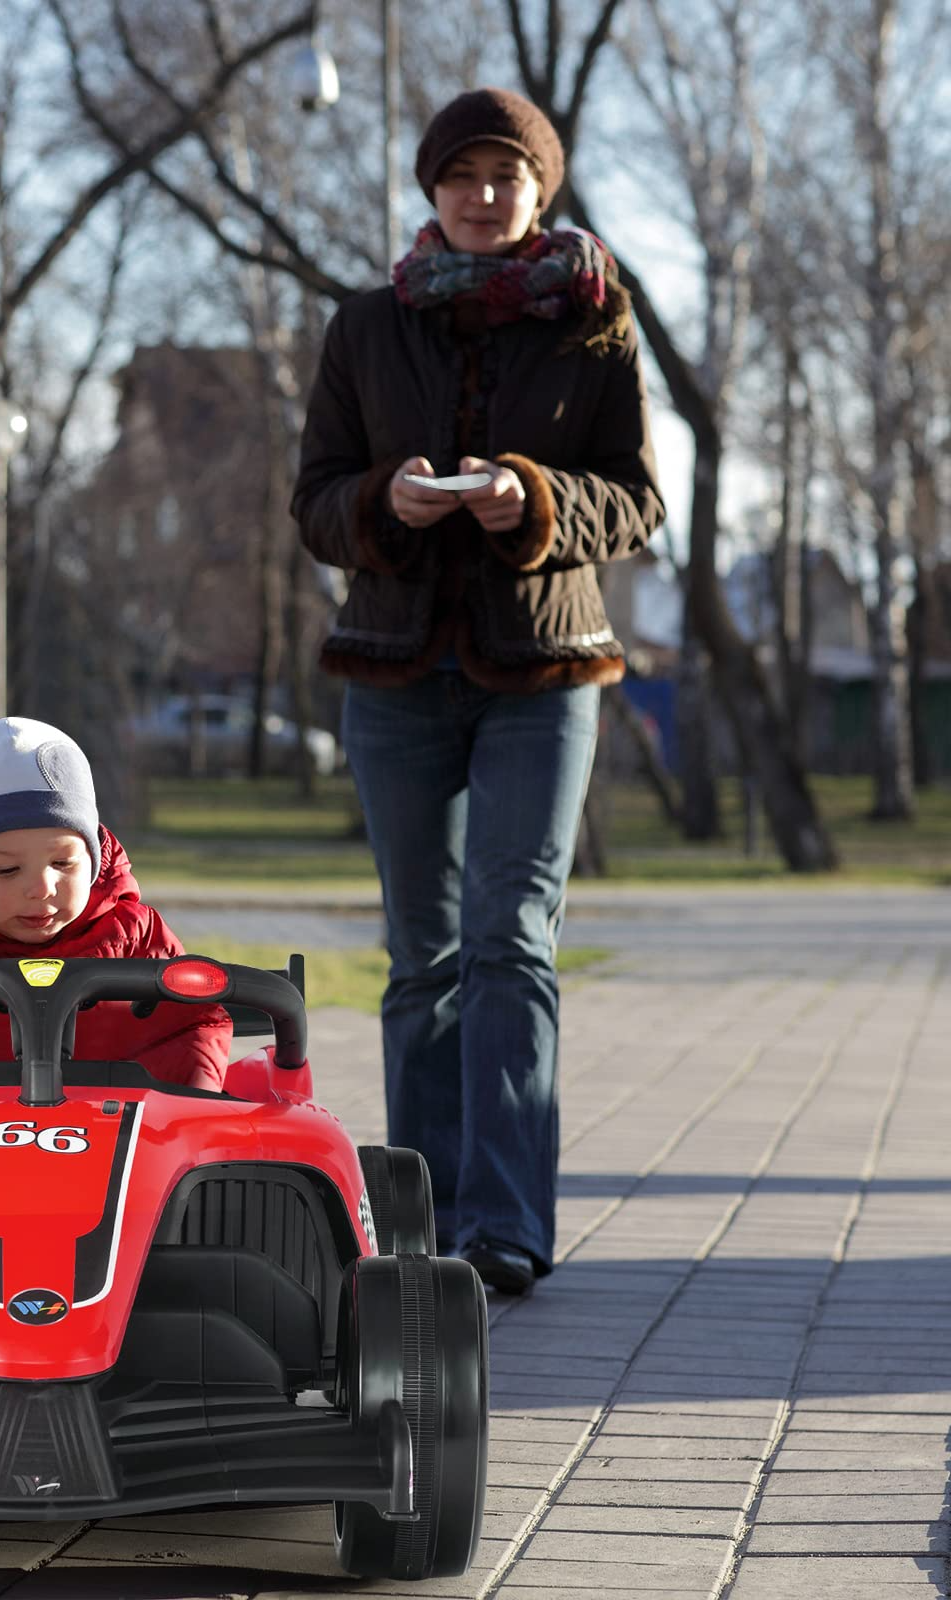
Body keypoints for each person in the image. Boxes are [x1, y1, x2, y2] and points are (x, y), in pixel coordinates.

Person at [291, 88, 665, 1296]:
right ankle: (422, 1224)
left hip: (543, 672)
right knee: (421, 958)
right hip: (395, 675)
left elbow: (639, 500)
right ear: (430, 189)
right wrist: (377, 506)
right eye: (461, 174)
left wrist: (535, 500)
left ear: (539, 188)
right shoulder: (364, 327)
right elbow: (313, 501)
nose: (482, 194)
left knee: (513, 942)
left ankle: (503, 1227)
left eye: (506, 175)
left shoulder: (596, 323)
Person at [0, 716, 231, 1097]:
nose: (42, 888)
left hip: (125, 1142)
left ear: (94, 859)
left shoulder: (137, 938)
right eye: (7, 870)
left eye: (63, 864)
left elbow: (189, 1032)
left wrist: (183, 1103)